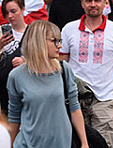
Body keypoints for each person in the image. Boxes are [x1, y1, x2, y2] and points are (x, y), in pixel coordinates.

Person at [60, 0, 113, 147]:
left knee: (103, 143)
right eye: (88, 1)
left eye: (97, 0)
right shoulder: (69, 29)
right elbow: (61, 63)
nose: (93, 4)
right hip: (76, 98)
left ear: (105, 3)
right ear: (82, 3)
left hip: (105, 96)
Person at [7, 20, 88, 148]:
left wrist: (84, 143)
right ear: (39, 41)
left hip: (61, 143)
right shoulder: (16, 76)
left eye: (60, 40)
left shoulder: (64, 69)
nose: (59, 46)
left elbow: (74, 108)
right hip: (28, 143)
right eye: (54, 40)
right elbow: (14, 116)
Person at [0, 0, 27, 115]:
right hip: (3, 87)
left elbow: (43, 58)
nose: (10, 16)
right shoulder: (2, 31)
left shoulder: (33, 32)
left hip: (25, 86)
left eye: (13, 11)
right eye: (6, 12)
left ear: (23, 9)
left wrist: (25, 61)